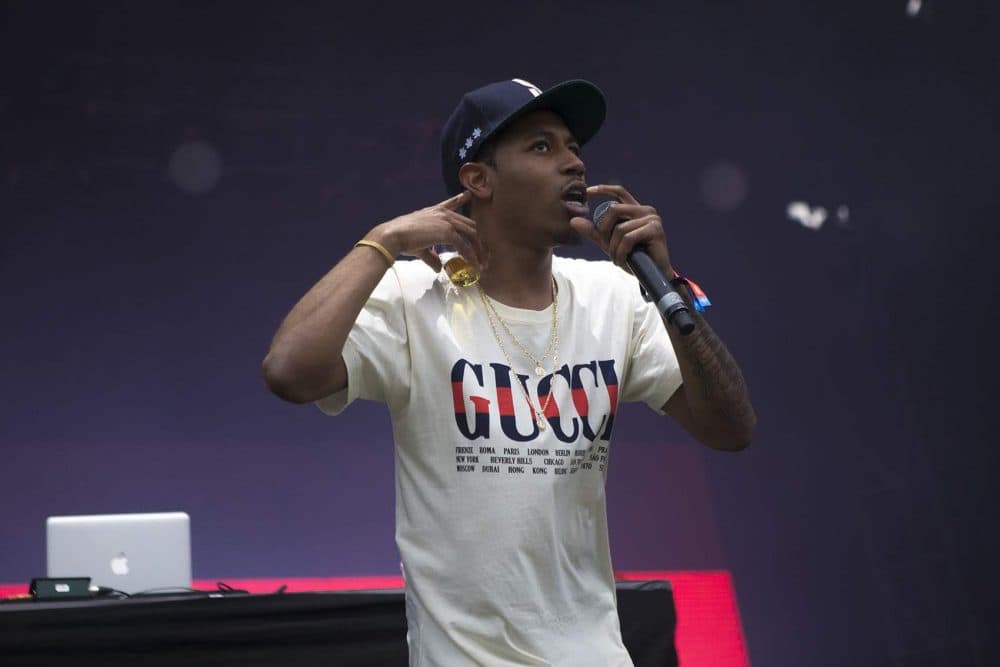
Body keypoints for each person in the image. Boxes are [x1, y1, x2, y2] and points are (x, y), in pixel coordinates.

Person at [262, 78, 756, 666]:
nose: (574, 163)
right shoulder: (414, 294)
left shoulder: (616, 296)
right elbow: (289, 372)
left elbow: (732, 429)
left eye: (574, 147)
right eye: (542, 147)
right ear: (479, 180)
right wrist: (382, 241)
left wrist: (666, 283)